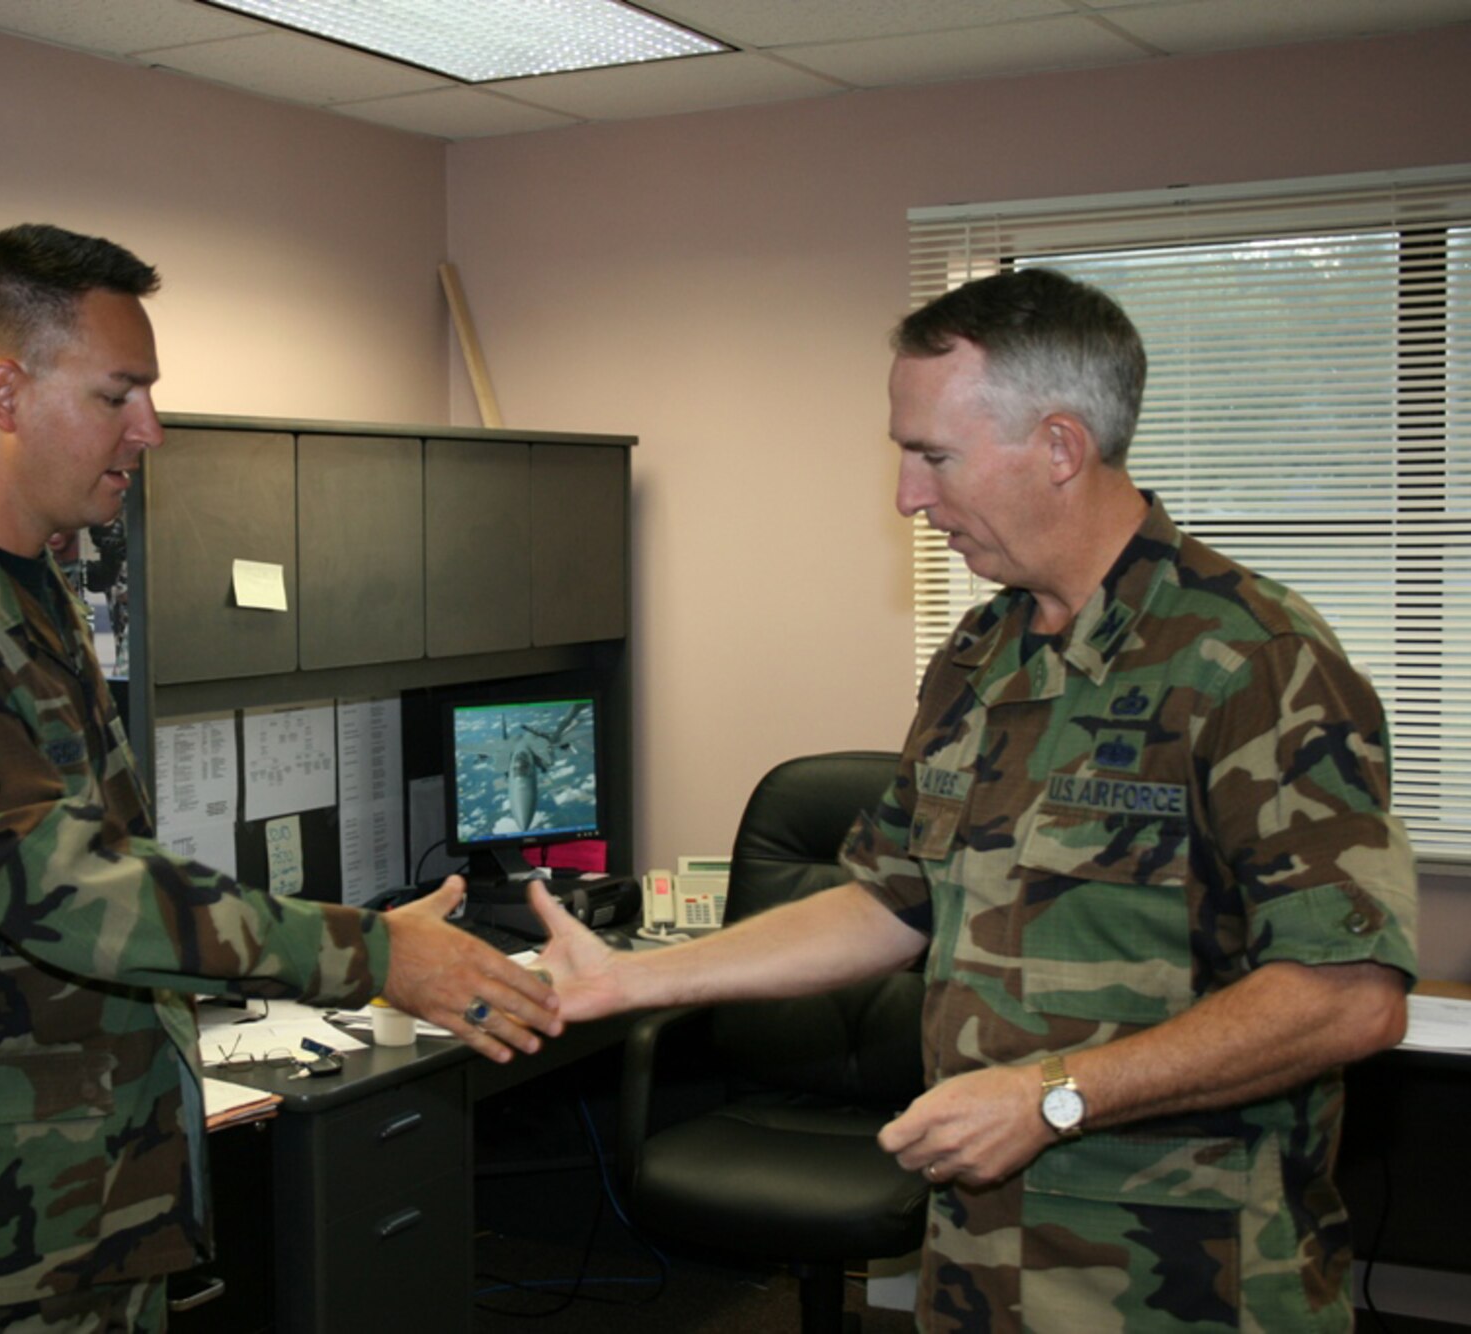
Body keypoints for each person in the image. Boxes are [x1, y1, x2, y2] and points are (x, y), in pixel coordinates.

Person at [531, 268, 1418, 1331]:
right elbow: (885, 900)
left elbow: (1346, 996)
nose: (907, 497)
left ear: (1056, 446)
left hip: (1186, 1280)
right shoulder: (983, 650)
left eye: (931, 456)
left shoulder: (1253, 661)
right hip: (977, 1262)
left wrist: (1053, 1094)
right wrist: (633, 978)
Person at [0, 223, 561, 1332]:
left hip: (78, 1220)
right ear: (4, 393)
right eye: (117, 393)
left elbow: (108, 863)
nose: (151, 426)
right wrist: (377, 952)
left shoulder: (27, 585)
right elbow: (70, 889)